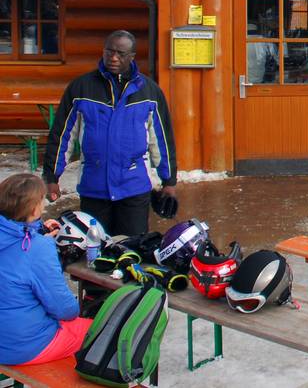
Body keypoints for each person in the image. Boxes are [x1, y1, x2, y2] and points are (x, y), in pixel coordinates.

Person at [44, 30, 177, 236]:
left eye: (120, 54)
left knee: (132, 247)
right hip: (94, 187)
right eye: (109, 52)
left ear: (132, 57)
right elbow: (62, 135)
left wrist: (168, 181)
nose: (113, 58)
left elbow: (162, 140)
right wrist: (52, 176)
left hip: (134, 188)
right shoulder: (81, 88)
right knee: (94, 248)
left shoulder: (150, 91)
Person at [0, 173, 92, 366]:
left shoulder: (32, 243)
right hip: (21, 347)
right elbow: (65, 310)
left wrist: (35, 232)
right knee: (101, 331)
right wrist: (42, 246)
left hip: (6, 338)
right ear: (34, 208)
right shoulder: (38, 249)